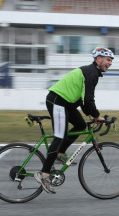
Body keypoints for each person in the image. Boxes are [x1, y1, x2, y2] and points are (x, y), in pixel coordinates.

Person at [34, 47, 114, 194]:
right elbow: (88, 100)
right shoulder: (91, 73)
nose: (110, 63)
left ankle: (59, 154)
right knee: (60, 136)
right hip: (57, 101)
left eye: (111, 61)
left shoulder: (92, 72)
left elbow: (84, 99)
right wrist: (96, 115)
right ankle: (43, 174)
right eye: (108, 60)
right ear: (98, 59)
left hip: (66, 103)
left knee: (80, 125)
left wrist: (90, 113)